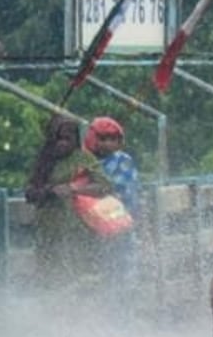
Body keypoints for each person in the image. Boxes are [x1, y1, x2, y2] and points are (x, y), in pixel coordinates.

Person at [24, 115, 116, 289]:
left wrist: (74, 189)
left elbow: (104, 186)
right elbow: (29, 192)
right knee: (50, 277)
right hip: (49, 230)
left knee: (80, 278)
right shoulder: (44, 161)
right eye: (58, 138)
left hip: (79, 229)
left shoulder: (83, 159)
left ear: (76, 139)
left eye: (67, 138)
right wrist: (48, 191)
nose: (62, 143)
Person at [85, 116, 139, 218]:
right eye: (102, 139)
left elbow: (120, 188)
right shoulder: (88, 160)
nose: (107, 143)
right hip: (94, 208)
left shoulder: (123, 160)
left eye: (113, 139)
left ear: (119, 142)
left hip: (122, 209)